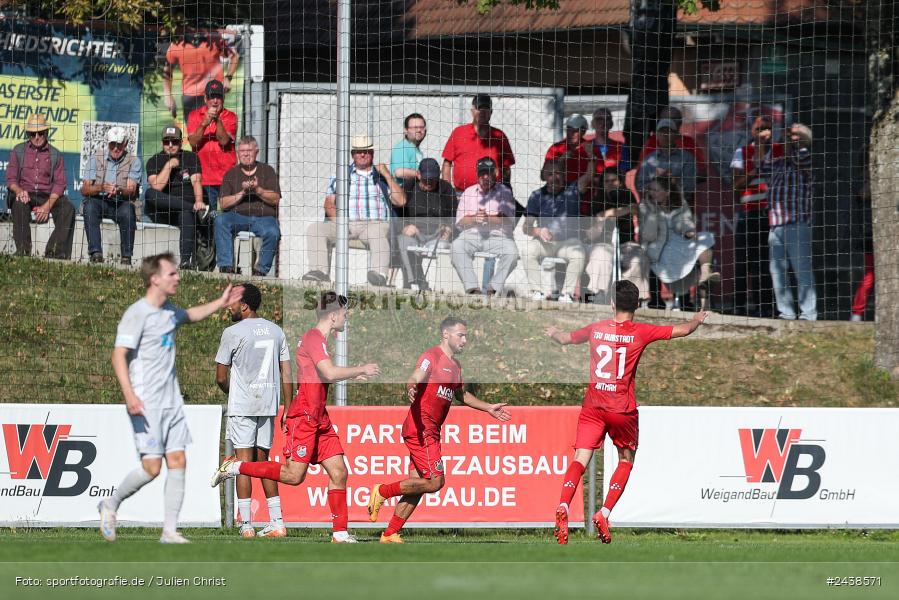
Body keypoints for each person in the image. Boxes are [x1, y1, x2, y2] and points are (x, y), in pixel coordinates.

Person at [545, 280, 708, 545]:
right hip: (622, 409)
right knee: (626, 458)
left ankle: (563, 505)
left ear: (612, 304)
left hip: (594, 406)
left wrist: (553, 331)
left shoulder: (596, 329)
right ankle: (604, 512)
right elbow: (682, 330)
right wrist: (697, 320)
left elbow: (565, 339)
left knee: (580, 458)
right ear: (637, 306)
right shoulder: (641, 331)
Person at [212, 291, 380, 543]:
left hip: (319, 417)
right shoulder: (313, 338)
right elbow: (329, 372)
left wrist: (351, 374)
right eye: (345, 314)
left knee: (339, 472)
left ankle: (340, 533)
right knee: (293, 476)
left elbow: (323, 373)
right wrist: (360, 369)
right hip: (305, 417)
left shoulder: (320, 340)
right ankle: (234, 466)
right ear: (333, 316)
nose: (347, 319)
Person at [98, 253, 243, 544]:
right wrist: (129, 395)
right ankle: (110, 504)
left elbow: (189, 315)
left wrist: (220, 302)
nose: (178, 278)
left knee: (178, 459)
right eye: (172, 274)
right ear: (155, 279)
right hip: (146, 402)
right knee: (152, 468)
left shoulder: (168, 311)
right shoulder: (137, 314)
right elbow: (118, 355)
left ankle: (169, 531)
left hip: (172, 402)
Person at [367, 317, 511, 543]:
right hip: (421, 428)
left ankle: (390, 533)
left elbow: (462, 395)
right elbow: (417, 374)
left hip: (430, 431)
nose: (465, 339)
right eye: (461, 335)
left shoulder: (456, 366)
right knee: (435, 482)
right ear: (446, 335)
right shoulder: (431, 356)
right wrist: (411, 385)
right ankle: (382, 491)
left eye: (466, 335)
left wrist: (488, 408)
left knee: (418, 485)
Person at [214, 283, 292, 538]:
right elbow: (287, 372)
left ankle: (246, 525)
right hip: (268, 404)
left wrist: (234, 393)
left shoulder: (232, 332)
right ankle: (277, 522)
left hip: (243, 404)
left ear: (244, 305)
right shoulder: (276, 331)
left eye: (233, 301)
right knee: (264, 463)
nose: (229, 306)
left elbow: (220, 377)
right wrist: (287, 407)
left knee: (243, 464)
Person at [303, 135, 406, 286]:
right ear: (352, 154)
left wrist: (386, 174)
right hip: (346, 223)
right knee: (315, 229)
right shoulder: (340, 175)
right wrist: (340, 223)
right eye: (358, 151)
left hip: (374, 224)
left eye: (367, 151)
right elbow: (329, 204)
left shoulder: (381, 177)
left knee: (377, 234)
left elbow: (401, 201)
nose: (362, 154)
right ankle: (319, 272)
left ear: (372, 153)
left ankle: (379, 276)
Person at [638, 175, 720, 311]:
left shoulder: (680, 203)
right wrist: (653, 211)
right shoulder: (644, 206)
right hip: (657, 247)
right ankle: (661, 301)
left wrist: (689, 231)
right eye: (650, 190)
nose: (652, 193)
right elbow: (648, 235)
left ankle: (706, 273)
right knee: (662, 256)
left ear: (667, 192)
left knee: (705, 238)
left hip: (680, 242)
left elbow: (684, 222)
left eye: (656, 190)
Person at [731, 115, 782, 317]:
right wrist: (756, 168)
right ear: (752, 131)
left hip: (774, 214)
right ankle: (740, 305)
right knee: (743, 262)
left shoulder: (779, 151)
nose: (765, 133)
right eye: (760, 129)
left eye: (768, 128)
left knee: (768, 263)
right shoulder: (741, 152)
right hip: (749, 213)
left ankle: (766, 306)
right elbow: (736, 184)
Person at [521, 158, 592, 303]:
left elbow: (589, 175)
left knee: (578, 254)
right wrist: (539, 231)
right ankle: (537, 292)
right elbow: (526, 227)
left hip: (568, 243)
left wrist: (591, 156)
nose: (555, 177)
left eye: (558, 173)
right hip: (545, 243)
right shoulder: (537, 195)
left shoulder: (573, 190)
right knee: (527, 250)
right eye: (550, 174)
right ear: (545, 176)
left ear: (565, 174)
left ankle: (567, 294)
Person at [6, 114, 75, 259]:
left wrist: (47, 206)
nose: (37, 137)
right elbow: (11, 179)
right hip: (25, 192)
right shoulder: (18, 150)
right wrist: (19, 191)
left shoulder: (56, 154)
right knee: (18, 203)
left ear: (47, 133)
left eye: (40, 133)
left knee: (68, 209)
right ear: (28, 134)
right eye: (32, 134)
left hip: (46, 194)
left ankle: (54, 252)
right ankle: (23, 252)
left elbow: (59, 184)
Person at [767, 123, 817, 320]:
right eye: (789, 134)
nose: (790, 137)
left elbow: (795, 157)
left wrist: (787, 144)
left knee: (802, 269)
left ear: (805, 138)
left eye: (795, 135)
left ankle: (809, 313)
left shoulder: (805, 156)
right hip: (775, 224)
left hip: (797, 223)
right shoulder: (779, 161)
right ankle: (786, 312)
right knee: (778, 272)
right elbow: (762, 167)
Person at [451, 156, 519, 295]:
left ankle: (493, 289)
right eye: (482, 173)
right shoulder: (468, 192)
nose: (486, 176)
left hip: (498, 237)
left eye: (489, 172)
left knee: (512, 253)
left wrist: (488, 219)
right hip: (471, 235)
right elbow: (460, 222)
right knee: (456, 246)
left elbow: (508, 220)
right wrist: (475, 219)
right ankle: (472, 289)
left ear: (496, 173)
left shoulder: (505, 192)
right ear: (477, 173)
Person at [214, 135, 282, 276]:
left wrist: (258, 190)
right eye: (242, 151)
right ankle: (226, 267)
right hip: (237, 216)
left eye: (249, 150)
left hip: (264, 217)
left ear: (256, 152)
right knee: (220, 220)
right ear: (237, 153)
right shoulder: (230, 174)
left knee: (273, 232)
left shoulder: (267, 170)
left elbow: (276, 199)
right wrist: (243, 192)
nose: (246, 154)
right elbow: (223, 203)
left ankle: (260, 272)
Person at [145, 126, 209, 270]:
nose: (170, 145)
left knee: (186, 215)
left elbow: (196, 181)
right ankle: (192, 209)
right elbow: (157, 187)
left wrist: (199, 201)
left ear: (180, 142)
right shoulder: (154, 160)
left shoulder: (191, 157)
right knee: (150, 193)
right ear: (162, 143)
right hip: (163, 211)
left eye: (174, 142)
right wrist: (169, 165)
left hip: (184, 212)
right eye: (167, 142)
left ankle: (186, 262)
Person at [582, 168, 649, 305]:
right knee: (601, 255)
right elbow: (590, 233)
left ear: (621, 182)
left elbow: (634, 208)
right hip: (602, 243)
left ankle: (632, 297)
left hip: (625, 243)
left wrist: (606, 214)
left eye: (614, 180)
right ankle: (598, 294)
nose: (611, 184)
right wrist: (601, 222)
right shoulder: (596, 200)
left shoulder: (627, 195)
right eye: (607, 181)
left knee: (638, 256)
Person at [81, 126, 142, 266]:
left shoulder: (134, 161)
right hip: (99, 199)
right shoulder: (95, 158)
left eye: (119, 144)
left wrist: (119, 190)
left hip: (121, 201)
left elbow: (131, 190)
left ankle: (126, 257)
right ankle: (96, 253)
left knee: (128, 211)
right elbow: (84, 189)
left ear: (125, 143)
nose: (115, 148)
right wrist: (101, 187)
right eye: (112, 144)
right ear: (107, 143)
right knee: (89, 207)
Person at [396, 158, 457, 290]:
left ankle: (441, 289)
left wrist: (449, 228)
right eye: (426, 179)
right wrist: (404, 227)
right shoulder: (409, 187)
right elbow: (397, 213)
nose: (429, 183)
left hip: (436, 235)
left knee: (443, 247)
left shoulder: (446, 189)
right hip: (414, 233)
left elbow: (454, 215)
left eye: (433, 180)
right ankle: (414, 284)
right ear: (418, 175)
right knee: (403, 241)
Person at [442, 94, 515, 192]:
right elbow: (447, 163)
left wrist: (505, 190)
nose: (482, 112)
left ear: (491, 112)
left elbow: (506, 168)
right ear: (472, 111)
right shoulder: (459, 132)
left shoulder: (499, 136)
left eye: (486, 109)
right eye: (479, 109)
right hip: (461, 193)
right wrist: (447, 190)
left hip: (492, 195)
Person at [163, 30, 239, 119]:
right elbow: (167, 72)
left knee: (215, 129)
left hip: (214, 93)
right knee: (194, 132)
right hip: (190, 95)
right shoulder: (177, 44)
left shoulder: (214, 39)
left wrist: (228, 78)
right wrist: (167, 95)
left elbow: (234, 56)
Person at [187, 79, 237, 211]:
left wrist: (217, 120)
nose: (215, 101)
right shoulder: (194, 115)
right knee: (209, 219)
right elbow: (193, 142)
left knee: (229, 217)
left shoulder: (230, 116)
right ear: (205, 98)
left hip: (227, 178)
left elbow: (224, 141)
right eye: (211, 97)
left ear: (223, 98)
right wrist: (204, 124)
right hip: (204, 179)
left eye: (218, 97)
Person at [636, 119, 698, 199]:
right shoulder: (648, 160)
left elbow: (689, 187)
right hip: (654, 207)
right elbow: (641, 186)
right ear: (657, 135)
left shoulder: (687, 158)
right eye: (662, 131)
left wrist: (665, 181)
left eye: (669, 131)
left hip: (680, 205)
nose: (665, 134)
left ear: (676, 134)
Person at [638, 106, 706, 176]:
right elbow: (641, 173)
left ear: (680, 123)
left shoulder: (689, 142)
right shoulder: (651, 142)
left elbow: (703, 173)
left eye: (673, 119)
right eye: (665, 119)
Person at [850, 177, 873, 322]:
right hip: (870, 237)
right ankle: (857, 312)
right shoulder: (861, 184)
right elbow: (863, 193)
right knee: (870, 276)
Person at [544, 114, 590, 183]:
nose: (571, 133)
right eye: (568, 129)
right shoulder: (556, 148)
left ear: (584, 131)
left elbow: (599, 177)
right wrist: (560, 160)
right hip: (561, 191)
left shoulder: (591, 148)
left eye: (575, 130)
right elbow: (543, 176)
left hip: (584, 190)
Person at [587, 108, 629, 174]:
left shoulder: (621, 147)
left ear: (611, 124)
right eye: (599, 119)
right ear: (592, 124)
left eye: (607, 119)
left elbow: (623, 174)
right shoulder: (584, 147)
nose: (603, 122)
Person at [390, 113, 427, 186]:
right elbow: (399, 172)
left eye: (422, 127)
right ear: (406, 130)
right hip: (403, 193)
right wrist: (424, 174)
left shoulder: (415, 148)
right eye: (415, 127)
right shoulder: (402, 147)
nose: (419, 130)